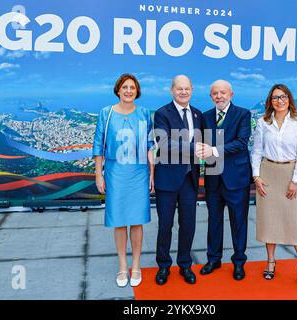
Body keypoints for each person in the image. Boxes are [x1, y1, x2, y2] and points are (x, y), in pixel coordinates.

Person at [251, 83, 297, 290]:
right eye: (275, 97)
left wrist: (296, 180)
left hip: (291, 175)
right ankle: (270, 262)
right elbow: (256, 151)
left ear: (290, 99)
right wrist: (256, 176)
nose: (279, 101)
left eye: (283, 97)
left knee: (295, 223)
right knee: (270, 221)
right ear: (270, 101)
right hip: (268, 174)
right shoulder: (263, 122)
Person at [93, 74, 154, 288]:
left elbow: (149, 146)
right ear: (118, 90)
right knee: (119, 221)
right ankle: (122, 266)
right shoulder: (106, 113)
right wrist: (98, 174)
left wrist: (151, 174)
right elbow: (98, 145)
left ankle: (136, 265)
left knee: (136, 220)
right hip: (115, 173)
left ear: (137, 91)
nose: (129, 91)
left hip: (138, 173)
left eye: (133, 88)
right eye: (125, 87)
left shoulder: (145, 113)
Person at [196, 80, 252, 281]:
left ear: (231, 94)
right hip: (213, 178)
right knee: (214, 221)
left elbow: (241, 143)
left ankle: (238, 262)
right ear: (211, 96)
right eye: (215, 93)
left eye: (223, 93)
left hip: (237, 179)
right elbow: (200, 142)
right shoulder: (205, 117)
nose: (219, 96)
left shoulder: (243, 114)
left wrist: (213, 150)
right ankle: (214, 259)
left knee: (239, 222)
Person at [153, 75, 203, 285]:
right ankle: (164, 266)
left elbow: (207, 141)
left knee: (188, 225)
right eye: (179, 89)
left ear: (192, 90)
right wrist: (195, 149)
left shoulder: (198, 115)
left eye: (187, 89)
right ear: (172, 90)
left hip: (190, 180)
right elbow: (164, 145)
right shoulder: (162, 113)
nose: (183, 92)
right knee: (165, 225)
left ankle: (185, 265)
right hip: (167, 180)